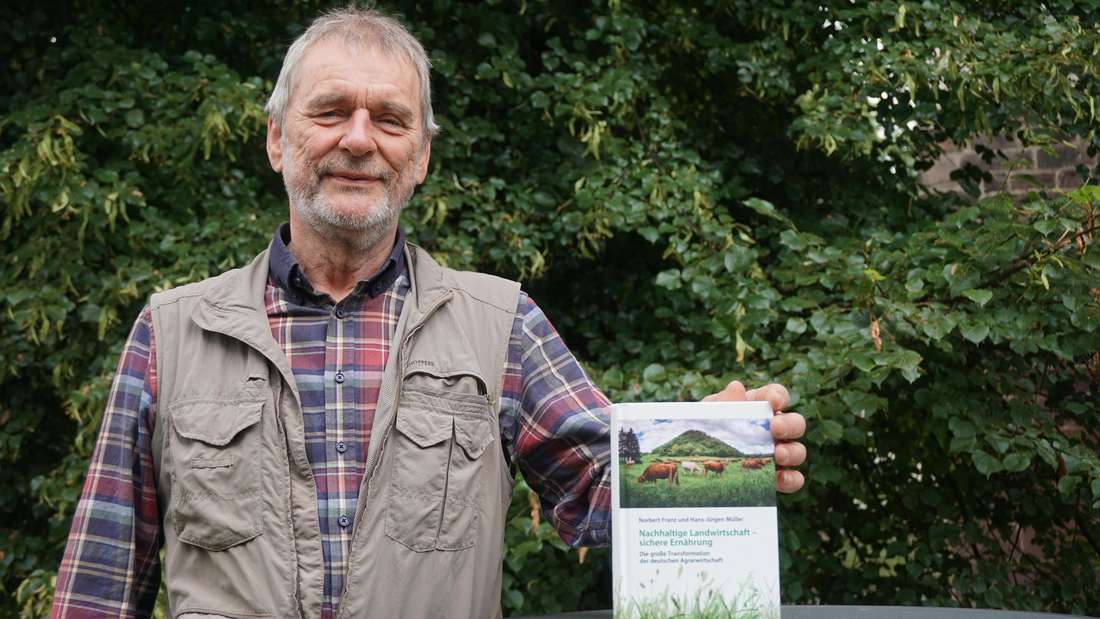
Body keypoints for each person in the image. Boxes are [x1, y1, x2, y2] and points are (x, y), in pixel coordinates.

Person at [51, 8, 806, 618]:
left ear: (419, 158)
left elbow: (599, 489)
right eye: (330, 111)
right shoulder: (173, 331)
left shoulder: (500, 324)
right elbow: (99, 583)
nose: (358, 138)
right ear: (278, 139)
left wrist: (715, 443)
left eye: (389, 118)